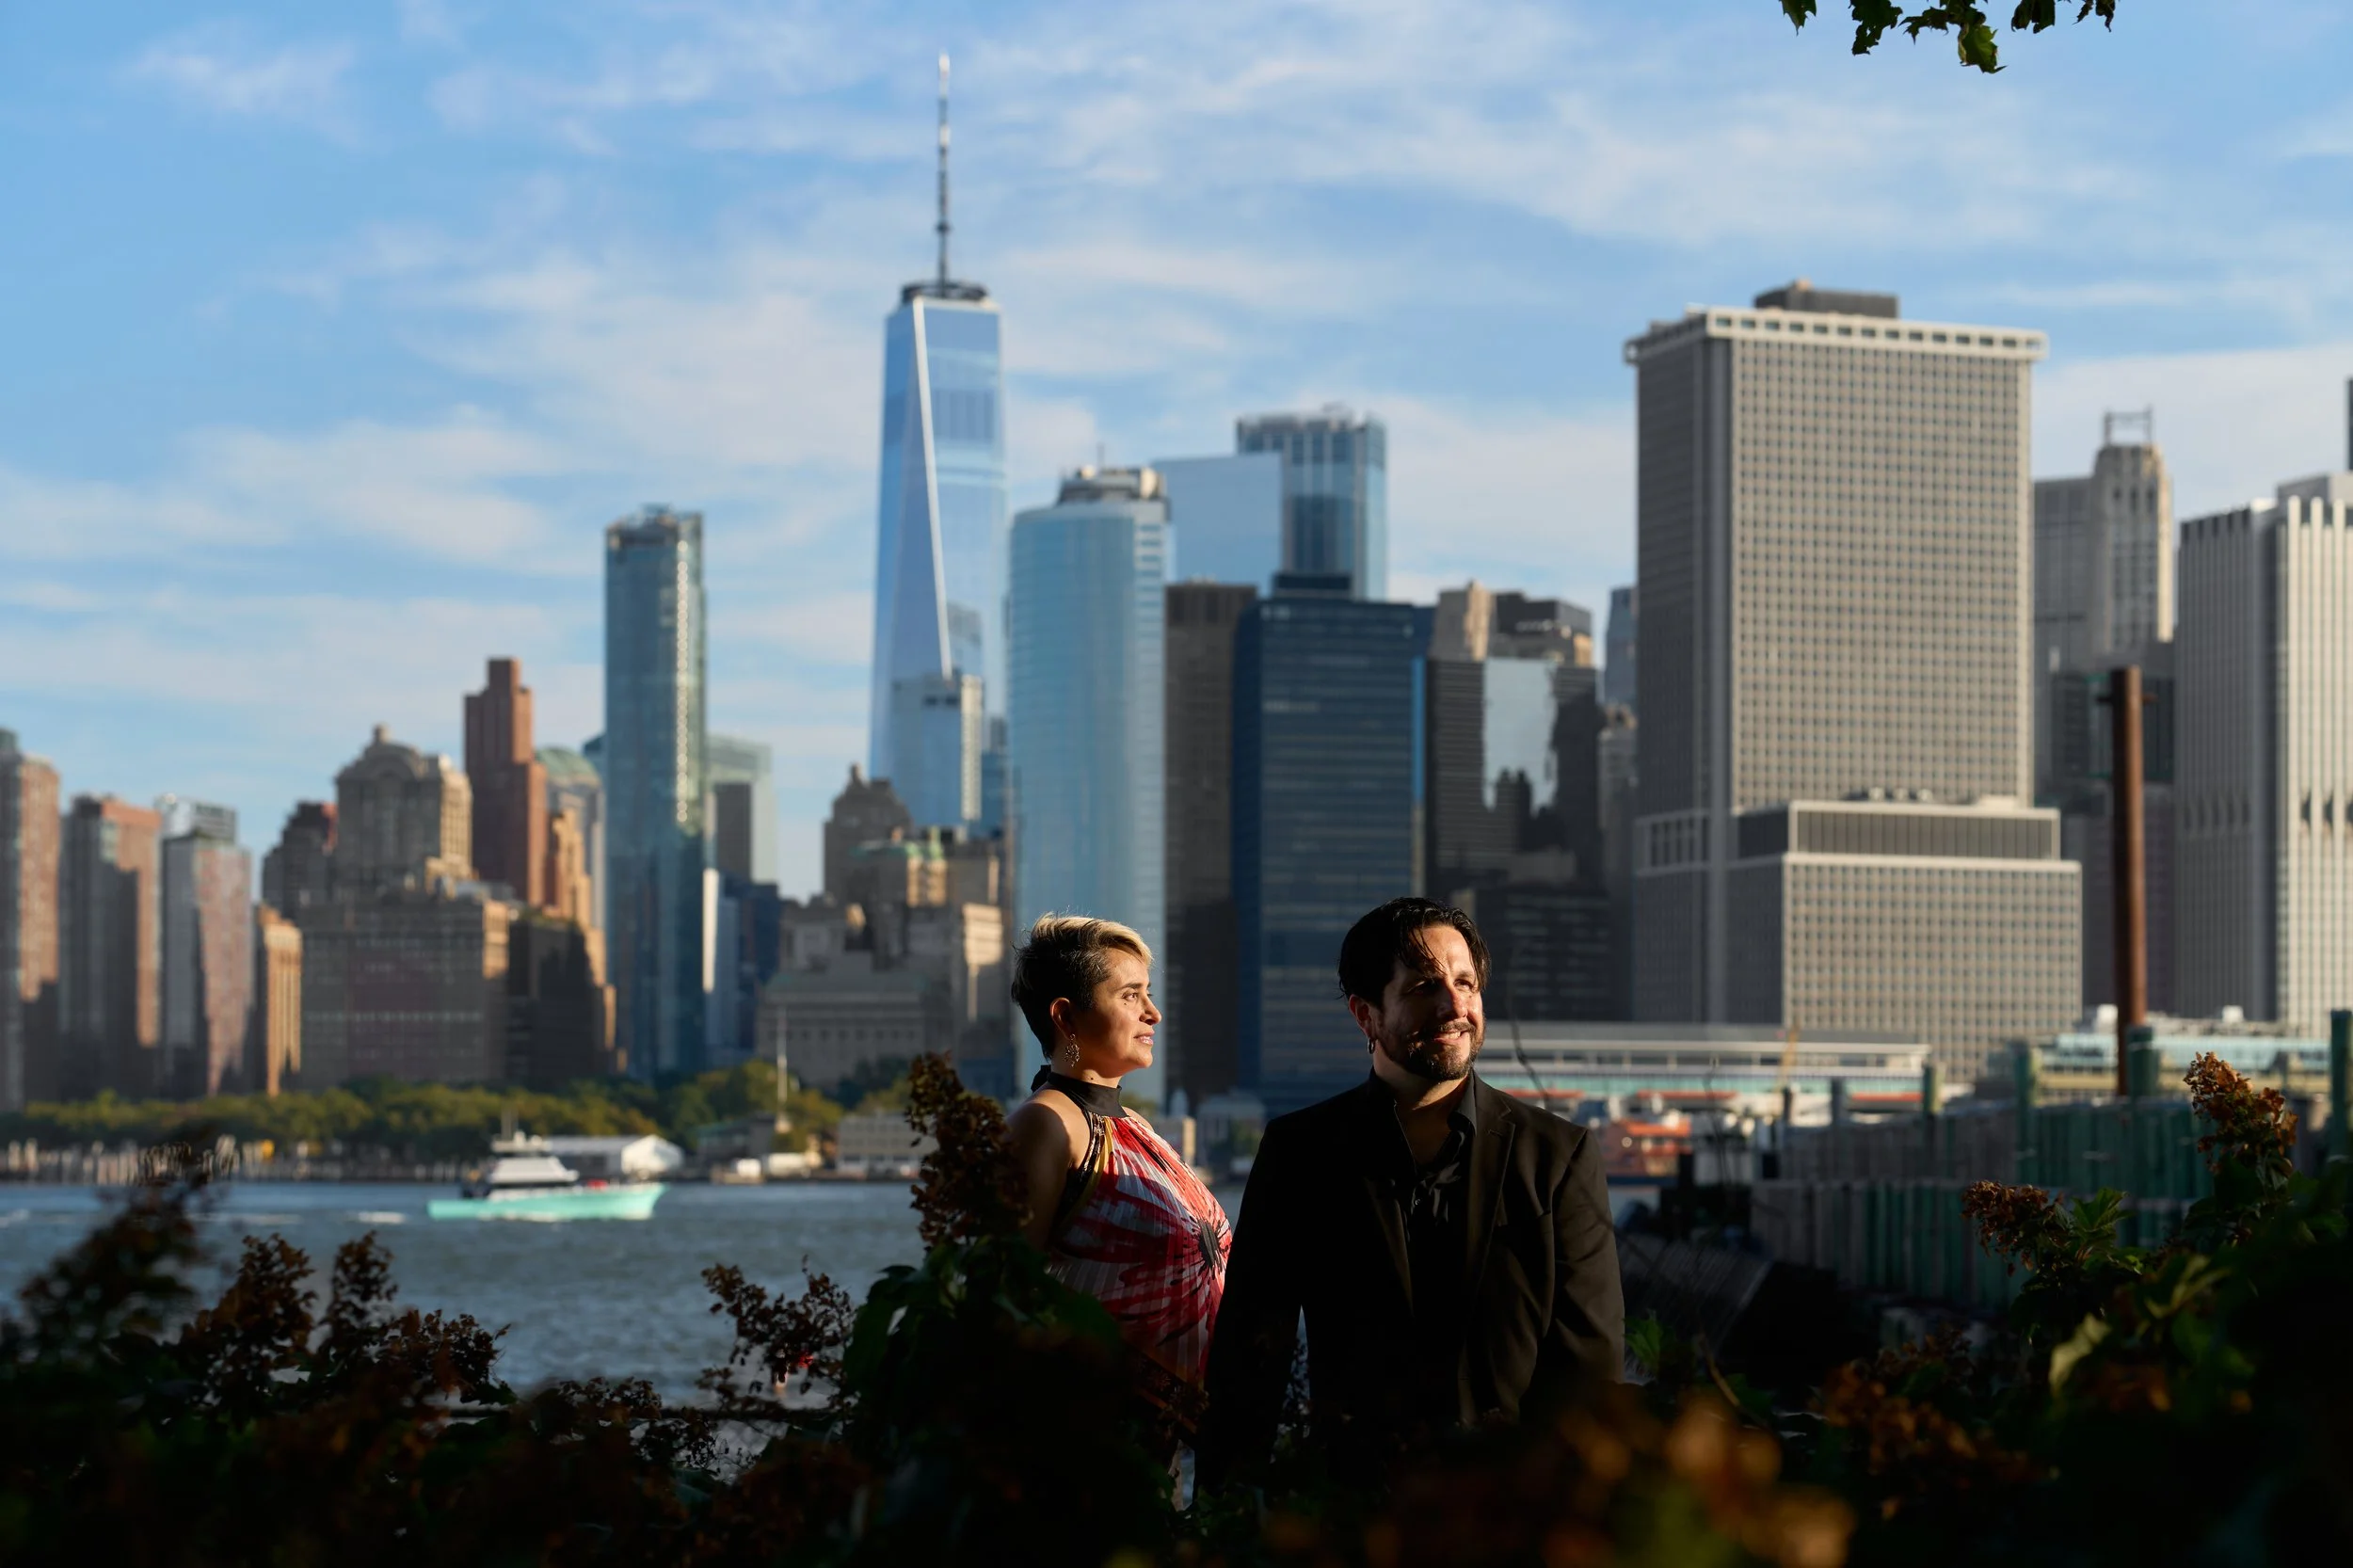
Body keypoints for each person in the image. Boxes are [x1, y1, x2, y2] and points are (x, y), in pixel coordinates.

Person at [1201, 896, 1623, 1482]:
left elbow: (1589, 1364)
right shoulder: (1302, 1152)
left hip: (1514, 1510)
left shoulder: (1557, 1155)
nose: (1455, 1005)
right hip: (1354, 1513)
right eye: (1425, 986)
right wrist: (1223, 1512)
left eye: (1466, 983)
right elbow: (1252, 1356)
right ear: (1366, 1014)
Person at [1004, 915, 1231, 1440]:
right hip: (1088, 1453)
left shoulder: (1137, 1129)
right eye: (1130, 996)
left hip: (1171, 1450)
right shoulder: (1046, 1126)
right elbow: (1000, 1302)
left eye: (1148, 994)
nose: (1152, 1013)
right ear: (1066, 1016)